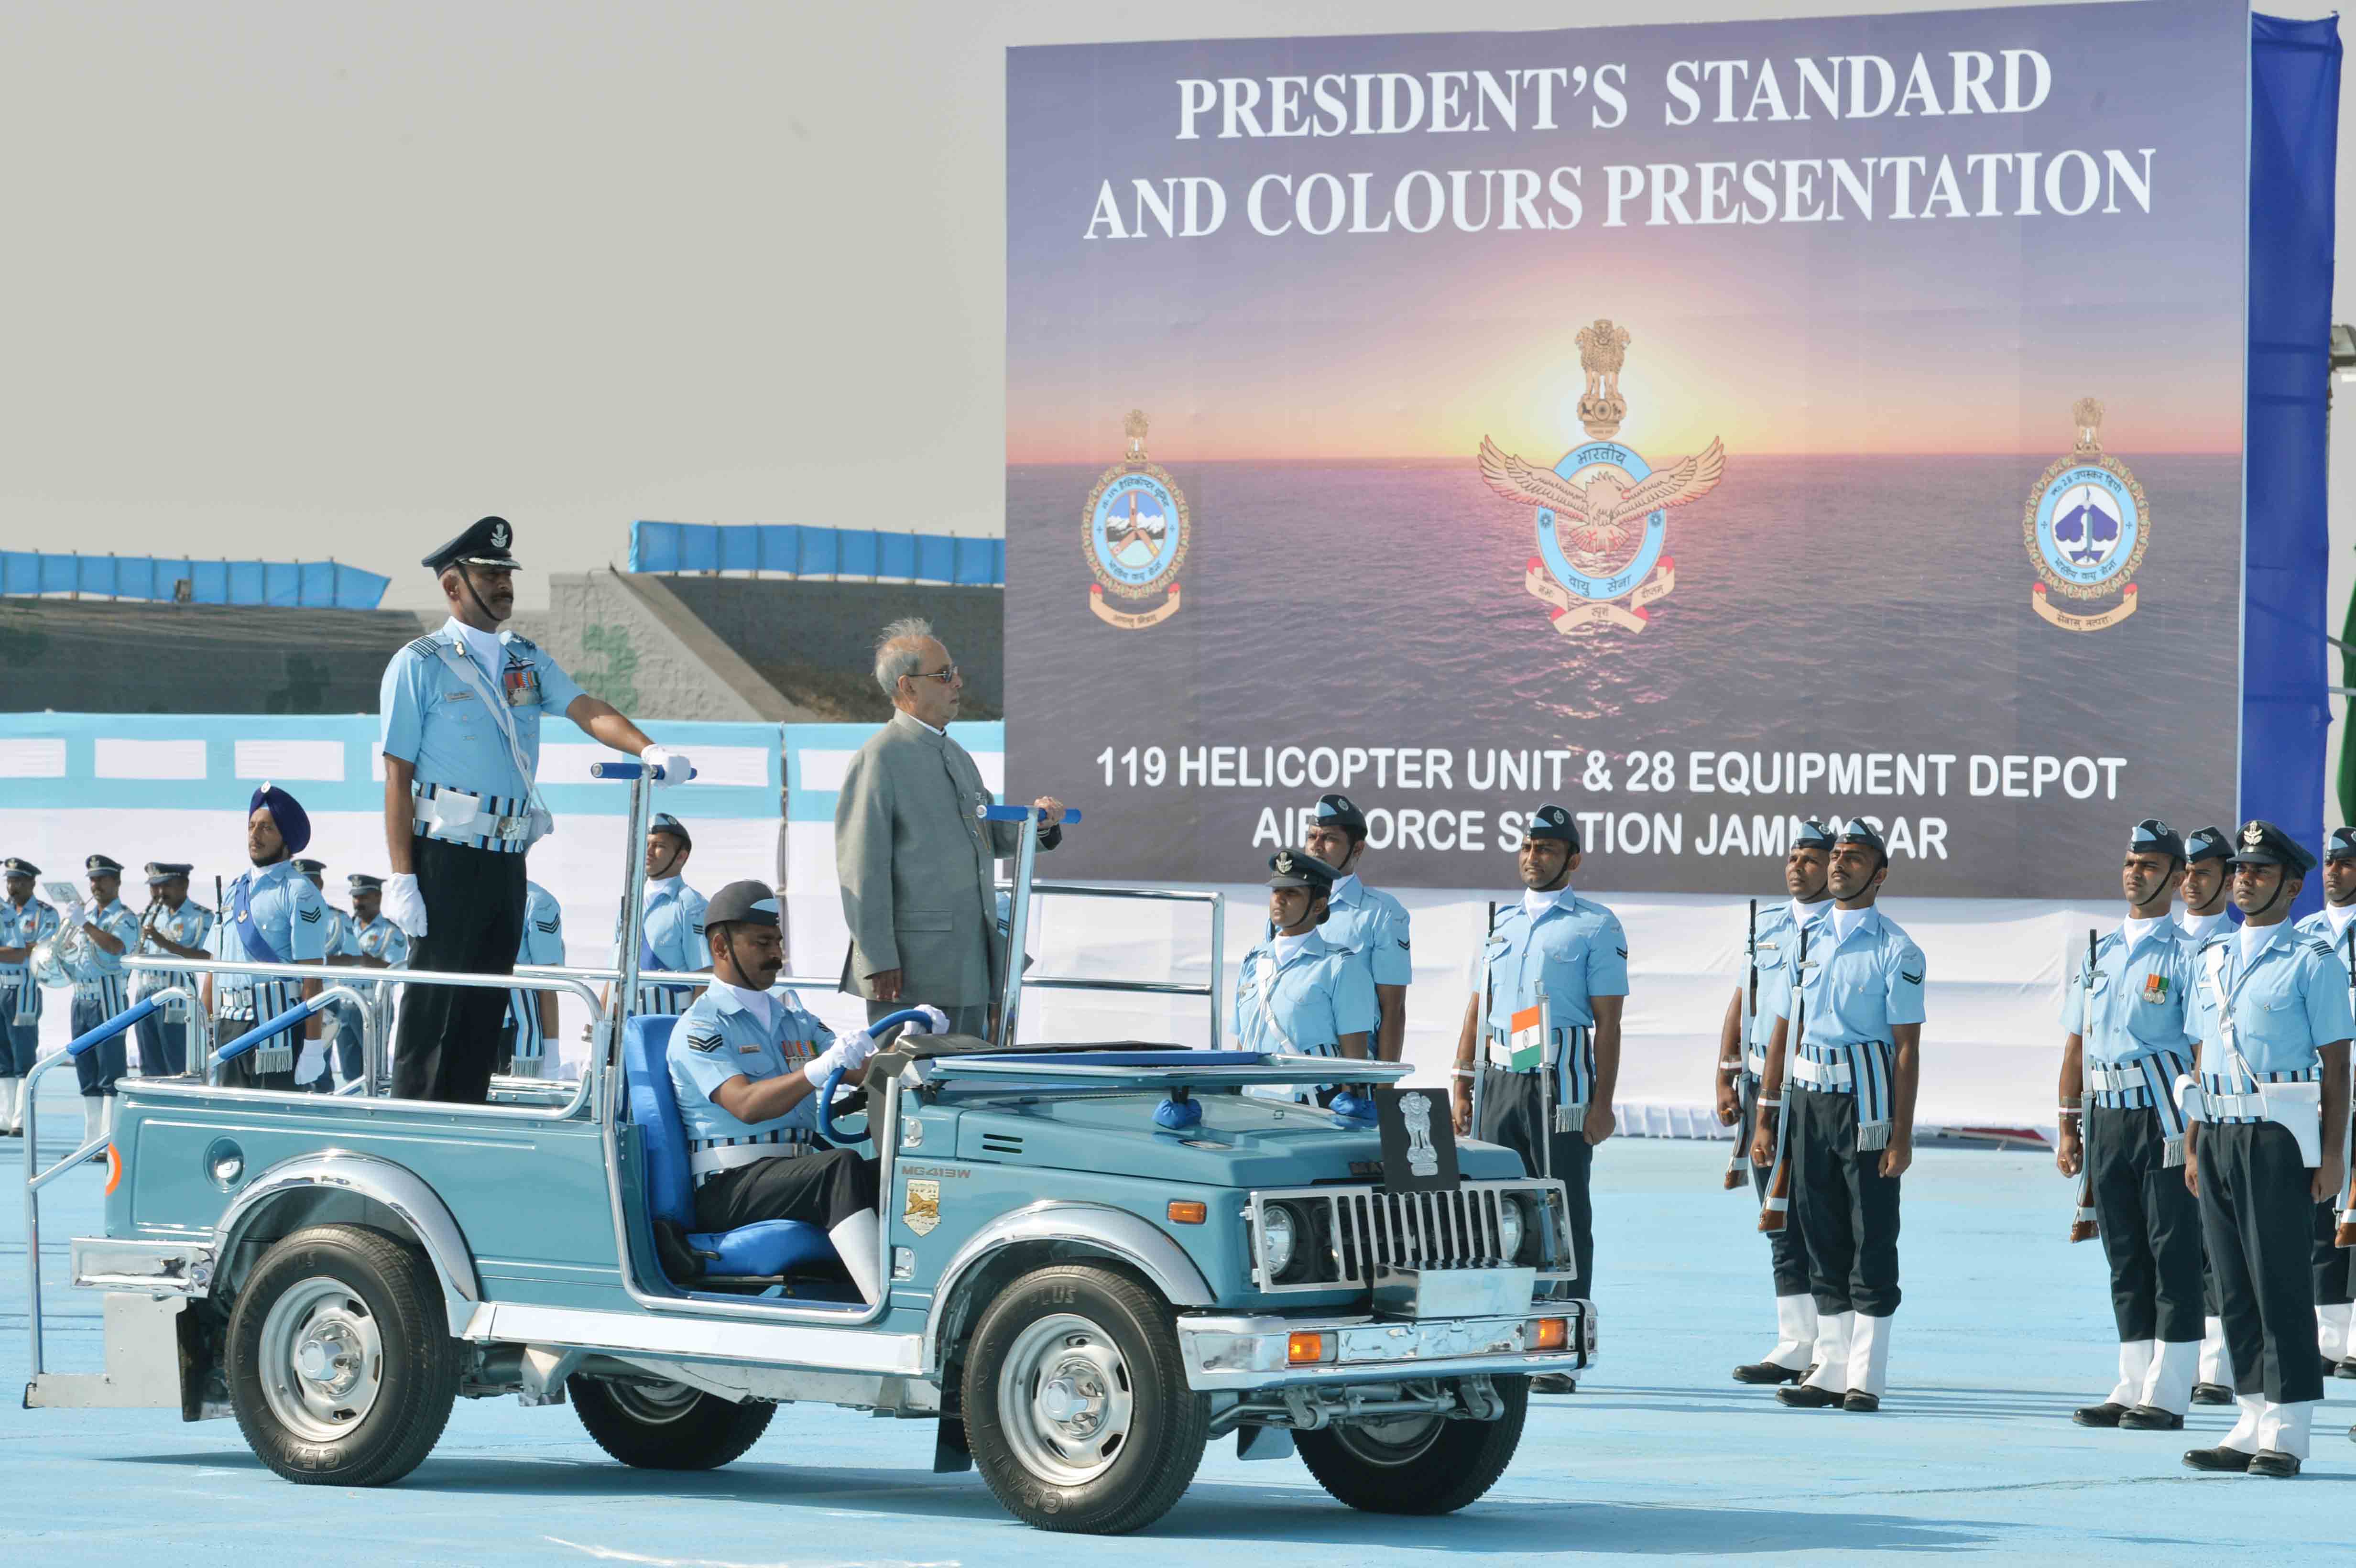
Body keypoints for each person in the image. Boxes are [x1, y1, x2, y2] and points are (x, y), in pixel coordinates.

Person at [379, 516, 683, 1104]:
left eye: (506, 573)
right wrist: (401, 876)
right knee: (433, 1006)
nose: (502, 584)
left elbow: (585, 706)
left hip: (506, 859)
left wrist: (648, 748)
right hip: (445, 856)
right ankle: (414, 1120)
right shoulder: (420, 662)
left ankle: (466, 1114)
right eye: (488, 573)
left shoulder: (525, 658)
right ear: (452, 586)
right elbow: (398, 776)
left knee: (485, 1002)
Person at [2181, 820, 2351, 1477]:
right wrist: (2195, 1143)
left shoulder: (2313, 962)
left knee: (2280, 1280)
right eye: (2241, 871)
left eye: (2260, 872)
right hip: (2219, 1133)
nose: (2245, 880)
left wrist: (2333, 1156)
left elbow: (2337, 1065)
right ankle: (2251, 1417)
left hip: (2280, 1138)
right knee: (2232, 1284)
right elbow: (2202, 1054)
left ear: (2293, 886)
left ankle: (2288, 1427)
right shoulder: (2214, 959)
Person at [667, 880, 928, 1305]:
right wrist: (816, 1070)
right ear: (720, 948)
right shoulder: (701, 1027)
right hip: (728, 1186)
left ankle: (929, 1289)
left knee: (899, 1171)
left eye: (779, 941)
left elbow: (861, 1069)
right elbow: (745, 1105)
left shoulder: (793, 1016)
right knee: (839, 1169)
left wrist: (911, 1046)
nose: (777, 954)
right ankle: (887, 1307)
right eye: (762, 942)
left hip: (795, 1172)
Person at [1451, 800, 1627, 1387]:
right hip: (1500, 1075)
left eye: (1547, 849)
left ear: (1572, 860)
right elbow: (1479, 1005)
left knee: (1561, 1213)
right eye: (1527, 847)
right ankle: (1499, 1339)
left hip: (1560, 1084)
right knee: (1491, 1210)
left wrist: (1601, 1104)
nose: (1533, 858)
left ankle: (1560, 1348)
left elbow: (1608, 1021)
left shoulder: (1596, 925)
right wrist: (1461, 1081)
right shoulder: (1502, 921)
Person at [1751, 819, 1924, 1414]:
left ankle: (1866, 1373)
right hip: (1806, 1100)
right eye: (1838, 855)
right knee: (1818, 1232)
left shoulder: (1896, 949)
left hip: (1866, 1107)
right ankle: (1828, 1365)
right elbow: (1782, 1026)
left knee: (1869, 1236)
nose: (1838, 865)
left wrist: (1901, 1135)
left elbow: (1905, 1048)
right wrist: (1768, 1116)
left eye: (1855, 859)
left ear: (1878, 875)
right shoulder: (1804, 938)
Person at [835, 617, 1063, 1040]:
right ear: (908, 687)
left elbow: (988, 834)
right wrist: (878, 957)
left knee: (960, 1081)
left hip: (968, 961)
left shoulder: (955, 755)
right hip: (909, 970)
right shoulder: (879, 760)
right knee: (906, 1087)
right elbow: (860, 871)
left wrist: (1037, 824)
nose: (958, 682)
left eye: (954, 671)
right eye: (944, 675)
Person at [2056, 819, 2205, 1432]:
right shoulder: (2098, 950)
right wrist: (2068, 1125)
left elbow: (2202, 1049)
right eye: (2128, 862)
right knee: (2123, 1254)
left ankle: (2168, 1392)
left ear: (2176, 876)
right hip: (2107, 1117)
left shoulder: (2190, 954)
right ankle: (2130, 1381)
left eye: (2148, 865)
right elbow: (2075, 1041)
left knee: (2173, 1252)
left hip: (2166, 1118)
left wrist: (2196, 1133)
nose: (2133, 873)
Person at [1716, 819, 1836, 1386]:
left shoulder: (1841, 931)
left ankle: (1832, 1347)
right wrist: (1725, 1073)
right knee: (1776, 1218)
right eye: (1793, 858)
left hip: (1810, 1090)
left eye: (1811, 859)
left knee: (1818, 1218)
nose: (1798, 867)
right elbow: (1744, 1001)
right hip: (1758, 1086)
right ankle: (1794, 1340)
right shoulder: (1764, 926)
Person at [204, 786, 331, 1092]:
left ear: (286, 838)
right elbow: (214, 966)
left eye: (266, 828)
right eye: (251, 826)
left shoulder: (300, 893)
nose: (254, 834)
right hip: (229, 1025)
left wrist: (313, 1046)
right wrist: (207, 1025)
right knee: (231, 1122)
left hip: (276, 1026)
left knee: (274, 1121)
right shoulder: (235, 889)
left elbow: (312, 978)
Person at [1231, 849, 1378, 1094]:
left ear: (1319, 905)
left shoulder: (1340, 966)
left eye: (1292, 892)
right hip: (1252, 1107)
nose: (1279, 899)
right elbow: (1243, 1043)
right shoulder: (1253, 962)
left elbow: (1355, 1061)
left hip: (1310, 1110)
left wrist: (1351, 1106)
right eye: (1276, 891)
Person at [2293, 824, 2356, 1377]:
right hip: (2322, 1094)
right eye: (2329, 861)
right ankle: (2328, 1337)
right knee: (2321, 1210)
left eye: (2345, 862)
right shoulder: (2305, 932)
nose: (2333, 871)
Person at [2178, 822, 2238, 1404]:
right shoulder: (2157, 940)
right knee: (2163, 1248)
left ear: (2226, 879)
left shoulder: (2236, 944)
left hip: (2213, 1111)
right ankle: (2160, 1368)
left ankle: (2214, 1369)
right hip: (2152, 1113)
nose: (2191, 882)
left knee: (2216, 1248)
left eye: (2204, 872)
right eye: (2186, 872)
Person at [1299, 793, 1411, 1062]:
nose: (1317, 846)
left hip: (1349, 1070)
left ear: (1357, 849)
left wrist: (1385, 1087)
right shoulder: (1289, 905)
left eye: (1329, 839)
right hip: (1289, 1068)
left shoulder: (1381, 912)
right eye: (1312, 836)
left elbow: (1392, 1009)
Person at [62, 855, 144, 1146]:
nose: (96, 885)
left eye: (102, 879)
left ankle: (109, 1141)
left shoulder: (124, 917)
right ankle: (90, 1140)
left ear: (117, 882)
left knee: (110, 1069)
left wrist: (83, 925)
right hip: (81, 998)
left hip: (108, 996)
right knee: (87, 1071)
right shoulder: (89, 918)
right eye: (93, 880)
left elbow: (116, 947)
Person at [616, 814, 708, 1017]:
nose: (648, 852)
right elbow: (615, 971)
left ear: (681, 857)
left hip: (672, 1020)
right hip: (629, 1021)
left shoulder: (691, 904)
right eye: (646, 844)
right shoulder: (630, 902)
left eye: (659, 846)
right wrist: (603, 1028)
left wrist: (694, 1029)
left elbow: (704, 975)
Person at [131, 862, 211, 1079]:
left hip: (178, 1001)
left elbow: (208, 958)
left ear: (184, 885)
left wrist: (164, 943)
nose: (159, 893)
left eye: (165, 886)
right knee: (149, 1065)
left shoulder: (201, 917)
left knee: (178, 1065)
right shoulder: (145, 916)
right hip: (146, 996)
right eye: (154, 887)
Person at [0, 859, 62, 1136]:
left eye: (19, 881)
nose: (12, 887)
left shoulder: (46, 914)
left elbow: (41, 949)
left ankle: (21, 1119)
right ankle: (4, 1117)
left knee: (24, 1057)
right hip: (1, 985)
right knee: (2, 1058)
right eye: (9, 880)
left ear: (32, 883)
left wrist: (14, 951)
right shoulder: (3, 911)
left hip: (25, 989)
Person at [339, 874, 408, 1092]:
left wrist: (364, 960)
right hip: (345, 1004)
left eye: (364, 897)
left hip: (373, 1006)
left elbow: (395, 969)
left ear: (378, 896)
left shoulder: (391, 932)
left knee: (373, 1068)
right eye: (355, 897)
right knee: (349, 1069)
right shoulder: (344, 927)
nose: (358, 902)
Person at [292, 858, 349, 1092]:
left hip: (323, 994)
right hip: (292, 995)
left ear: (321, 883)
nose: (306, 886)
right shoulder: (286, 911)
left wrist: (316, 960)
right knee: (293, 1058)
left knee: (319, 1061)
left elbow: (354, 958)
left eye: (311, 881)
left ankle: (325, 1104)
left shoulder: (337, 918)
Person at [503, 880, 565, 1077]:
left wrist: (552, 1059)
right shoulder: (539, 901)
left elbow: (547, 983)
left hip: (517, 1035)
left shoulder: (539, 902)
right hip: (468, 1027)